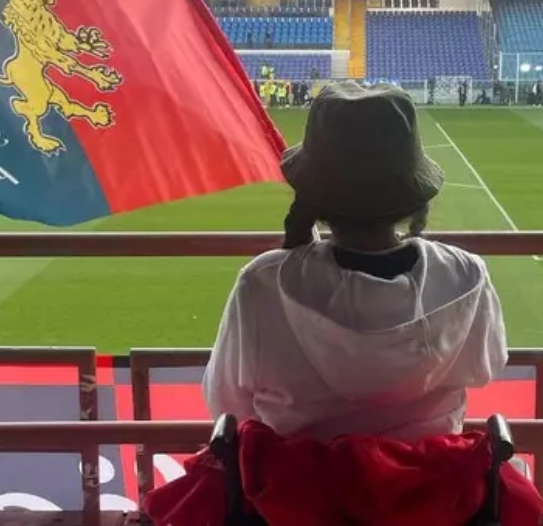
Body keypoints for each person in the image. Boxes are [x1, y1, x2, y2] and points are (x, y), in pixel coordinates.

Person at [203, 81, 508, 441]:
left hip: (298, 493)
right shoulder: (464, 275)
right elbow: (488, 365)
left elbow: (226, 403)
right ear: (414, 197)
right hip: (429, 491)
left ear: (312, 196)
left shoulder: (264, 281)